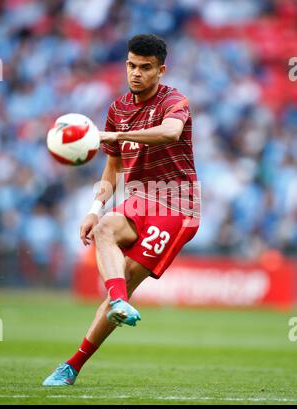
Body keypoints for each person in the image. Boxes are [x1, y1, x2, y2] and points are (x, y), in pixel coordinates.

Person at [43, 34, 200, 386]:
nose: (136, 73)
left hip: (177, 204)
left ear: (161, 70)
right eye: (131, 65)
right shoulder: (117, 109)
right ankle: (114, 307)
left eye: (146, 68)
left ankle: (75, 363)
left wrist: (114, 137)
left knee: (125, 281)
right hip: (140, 198)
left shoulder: (175, 101)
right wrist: (94, 208)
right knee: (103, 231)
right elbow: (113, 169)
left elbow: (171, 133)